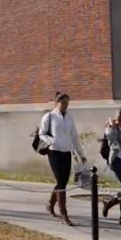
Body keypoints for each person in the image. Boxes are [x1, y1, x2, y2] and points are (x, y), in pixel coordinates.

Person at [38, 93, 87, 226]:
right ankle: (63, 214)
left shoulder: (69, 118)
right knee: (60, 182)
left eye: (67, 103)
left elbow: (75, 138)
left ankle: (50, 204)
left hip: (66, 152)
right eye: (63, 103)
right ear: (57, 102)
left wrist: (81, 154)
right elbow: (41, 133)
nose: (66, 106)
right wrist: (52, 141)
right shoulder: (50, 116)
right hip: (54, 152)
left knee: (63, 183)